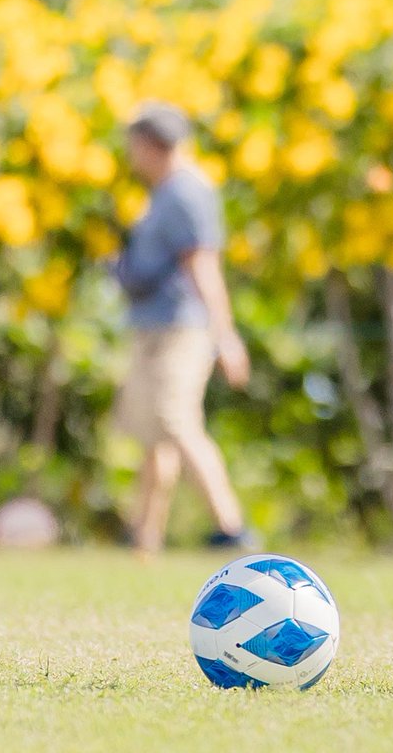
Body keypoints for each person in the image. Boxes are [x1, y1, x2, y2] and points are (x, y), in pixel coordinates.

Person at [112, 102, 254, 555]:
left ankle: (231, 527)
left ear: (151, 146)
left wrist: (225, 336)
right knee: (157, 434)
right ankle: (145, 537)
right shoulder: (166, 192)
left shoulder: (186, 193)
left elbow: (204, 266)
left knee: (176, 421)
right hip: (154, 327)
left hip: (179, 330)